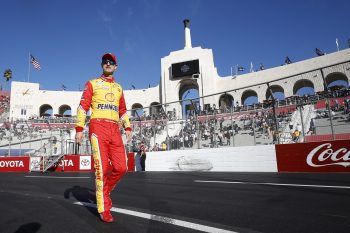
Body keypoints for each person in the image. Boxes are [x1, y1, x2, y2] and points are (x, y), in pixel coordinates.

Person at [75, 53, 132, 223]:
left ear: (116, 66)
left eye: (111, 62)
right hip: (98, 127)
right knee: (102, 169)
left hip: (115, 128)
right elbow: (82, 107)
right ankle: (104, 208)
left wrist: (127, 127)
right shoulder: (92, 83)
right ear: (102, 65)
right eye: (105, 62)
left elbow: (123, 110)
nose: (108, 64)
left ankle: (105, 191)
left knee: (122, 168)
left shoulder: (119, 88)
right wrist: (79, 128)